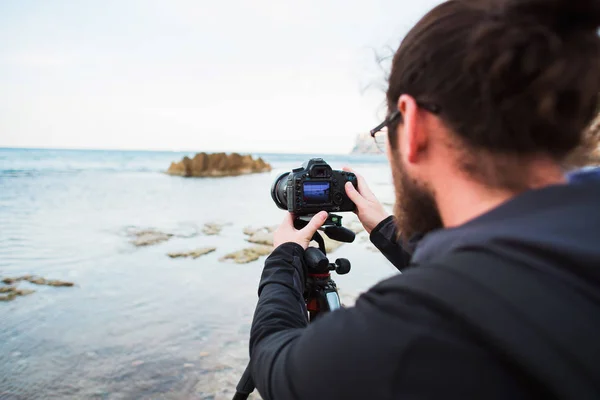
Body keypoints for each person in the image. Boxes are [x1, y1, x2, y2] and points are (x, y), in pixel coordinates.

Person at [249, 0, 600, 398]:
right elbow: (495, 276)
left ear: (412, 123)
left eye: (386, 132)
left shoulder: (417, 330)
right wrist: (382, 227)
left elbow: (275, 365)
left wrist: (283, 259)